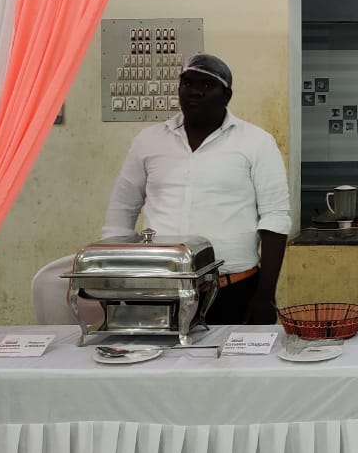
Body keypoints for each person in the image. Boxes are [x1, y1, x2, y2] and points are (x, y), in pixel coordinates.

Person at [102, 53, 291, 324]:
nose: (194, 91)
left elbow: (275, 218)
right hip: (158, 289)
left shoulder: (256, 142)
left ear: (226, 95)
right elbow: (121, 213)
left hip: (233, 290)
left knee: (231, 354)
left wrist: (265, 296)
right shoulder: (149, 141)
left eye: (207, 85)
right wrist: (114, 282)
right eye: (187, 83)